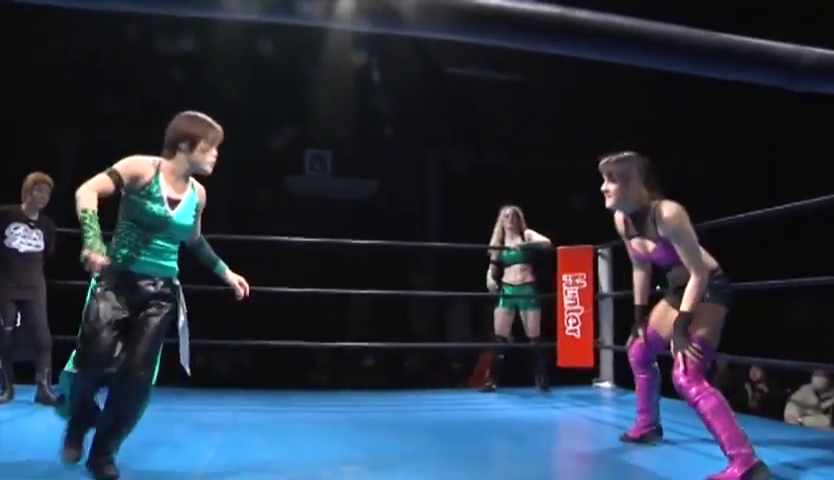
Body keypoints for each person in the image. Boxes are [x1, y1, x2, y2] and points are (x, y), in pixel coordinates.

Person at [59, 111, 251, 480]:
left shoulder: (198, 195)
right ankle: (78, 423)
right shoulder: (141, 169)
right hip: (116, 283)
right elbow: (87, 191)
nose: (215, 155)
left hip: (160, 294)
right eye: (210, 147)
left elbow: (193, 240)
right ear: (186, 145)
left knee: (136, 378)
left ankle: (103, 453)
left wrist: (226, 273)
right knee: (92, 362)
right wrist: (93, 241)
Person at [599, 151, 769, 479]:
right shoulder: (622, 219)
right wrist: (638, 317)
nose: (603, 188)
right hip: (679, 290)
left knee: (686, 375)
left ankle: (747, 463)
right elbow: (640, 267)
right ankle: (648, 425)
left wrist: (681, 326)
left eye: (611, 180)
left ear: (632, 183)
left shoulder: (667, 213)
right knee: (638, 349)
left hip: (708, 286)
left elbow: (699, 273)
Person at [0, 172, 61, 406]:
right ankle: (7, 387)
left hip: (34, 287)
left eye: (47, 193)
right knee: (4, 337)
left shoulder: (47, 225)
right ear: (28, 192)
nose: (43, 197)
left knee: (42, 337)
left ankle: (44, 388)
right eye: (39, 191)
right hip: (7, 286)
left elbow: (46, 256)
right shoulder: (6, 215)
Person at [481, 205, 552, 393]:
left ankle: (542, 378)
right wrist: (490, 278)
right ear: (501, 221)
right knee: (500, 337)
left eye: (513, 216)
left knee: (534, 337)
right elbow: (492, 267)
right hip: (507, 290)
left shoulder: (526, 235)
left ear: (518, 219)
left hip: (527, 289)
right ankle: (492, 381)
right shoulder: (499, 243)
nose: (510, 219)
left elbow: (547, 243)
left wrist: (525, 246)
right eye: (506, 216)